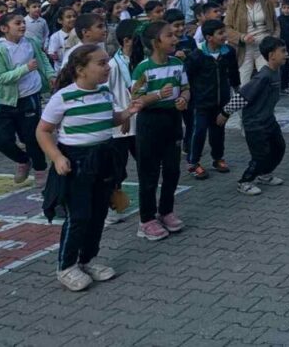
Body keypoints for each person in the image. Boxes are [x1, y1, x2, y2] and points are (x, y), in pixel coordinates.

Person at [36, 45, 143, 291]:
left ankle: (87, 260)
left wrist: (127, 113)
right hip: (76, 162)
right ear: (80, 69)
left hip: (103, 158)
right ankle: (66, 266)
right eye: (101, 63)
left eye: (107, 62)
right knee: (79, 216)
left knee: (98, 214)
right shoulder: (63, 97)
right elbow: (43, 131)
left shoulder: (104, 92)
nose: (107, 68)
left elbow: (108, 119)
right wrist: (57, 157)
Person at [130, 21, 190, 241]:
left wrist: (183, 99)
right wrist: (157, 96)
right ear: (156, 43)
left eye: (175, 35)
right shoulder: (143, 68)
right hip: (150, 122)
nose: (175, 39)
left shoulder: (177, 63)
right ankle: (146, 219)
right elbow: (135, 99)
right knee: (149, 173)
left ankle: (166, 211)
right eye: (170, 36)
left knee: (172, 170)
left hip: (172, 120)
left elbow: (186, 88)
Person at [0, 13, 55, 186]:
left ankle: (40, 169)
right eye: (17, 23)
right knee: (1, 139)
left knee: (31, 137)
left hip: (30, 96)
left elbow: (42, 59)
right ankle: (23, 160)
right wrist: (25, 69)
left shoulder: (31, 42)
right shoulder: (0, 49)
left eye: (23, 22)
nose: (22, 25)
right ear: (4, 28)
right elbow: (0, 78)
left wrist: (50, 75)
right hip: (6, 100)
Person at [227, 37, 287, 195]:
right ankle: (244, 181)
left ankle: (264, 174)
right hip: (255, 124)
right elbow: (243, 96)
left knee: (279, 147)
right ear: (271, 55)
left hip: (269, 120)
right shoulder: (263, 76)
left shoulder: (276, 71)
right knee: (260, 155)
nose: (286, 54)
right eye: (283, 51)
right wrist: (225, 112)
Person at [183, 19, 239, 180]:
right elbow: (187, 78)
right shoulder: (196, 55)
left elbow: (233, 73)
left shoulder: (228, 52)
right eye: (220, 33)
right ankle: (193, 163)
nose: (224, 36)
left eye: (224, 32)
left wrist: (236, 89)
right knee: (199, 132)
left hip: (221, 101)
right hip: (200, 103)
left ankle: (218, 158)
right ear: (209, 37)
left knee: (218, 131)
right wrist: (187, 98)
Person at [105, 19, 138, 226]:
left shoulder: (138, 61)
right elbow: (107, 94)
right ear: (127, 41)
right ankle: (111, 207)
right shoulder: (113, 65)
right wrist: (121, 114)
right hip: (120, 127)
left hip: (138, 123)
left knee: (146, 161)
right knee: (117, 168)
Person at [225, 0, 278, 84]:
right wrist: (242, 37)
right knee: (243, 83)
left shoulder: (267, 2)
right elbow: (226, 28)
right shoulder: (234, 4)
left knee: (267, 81)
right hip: (244, 48)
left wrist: (274, 39)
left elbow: (276, 24)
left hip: (265, 46)